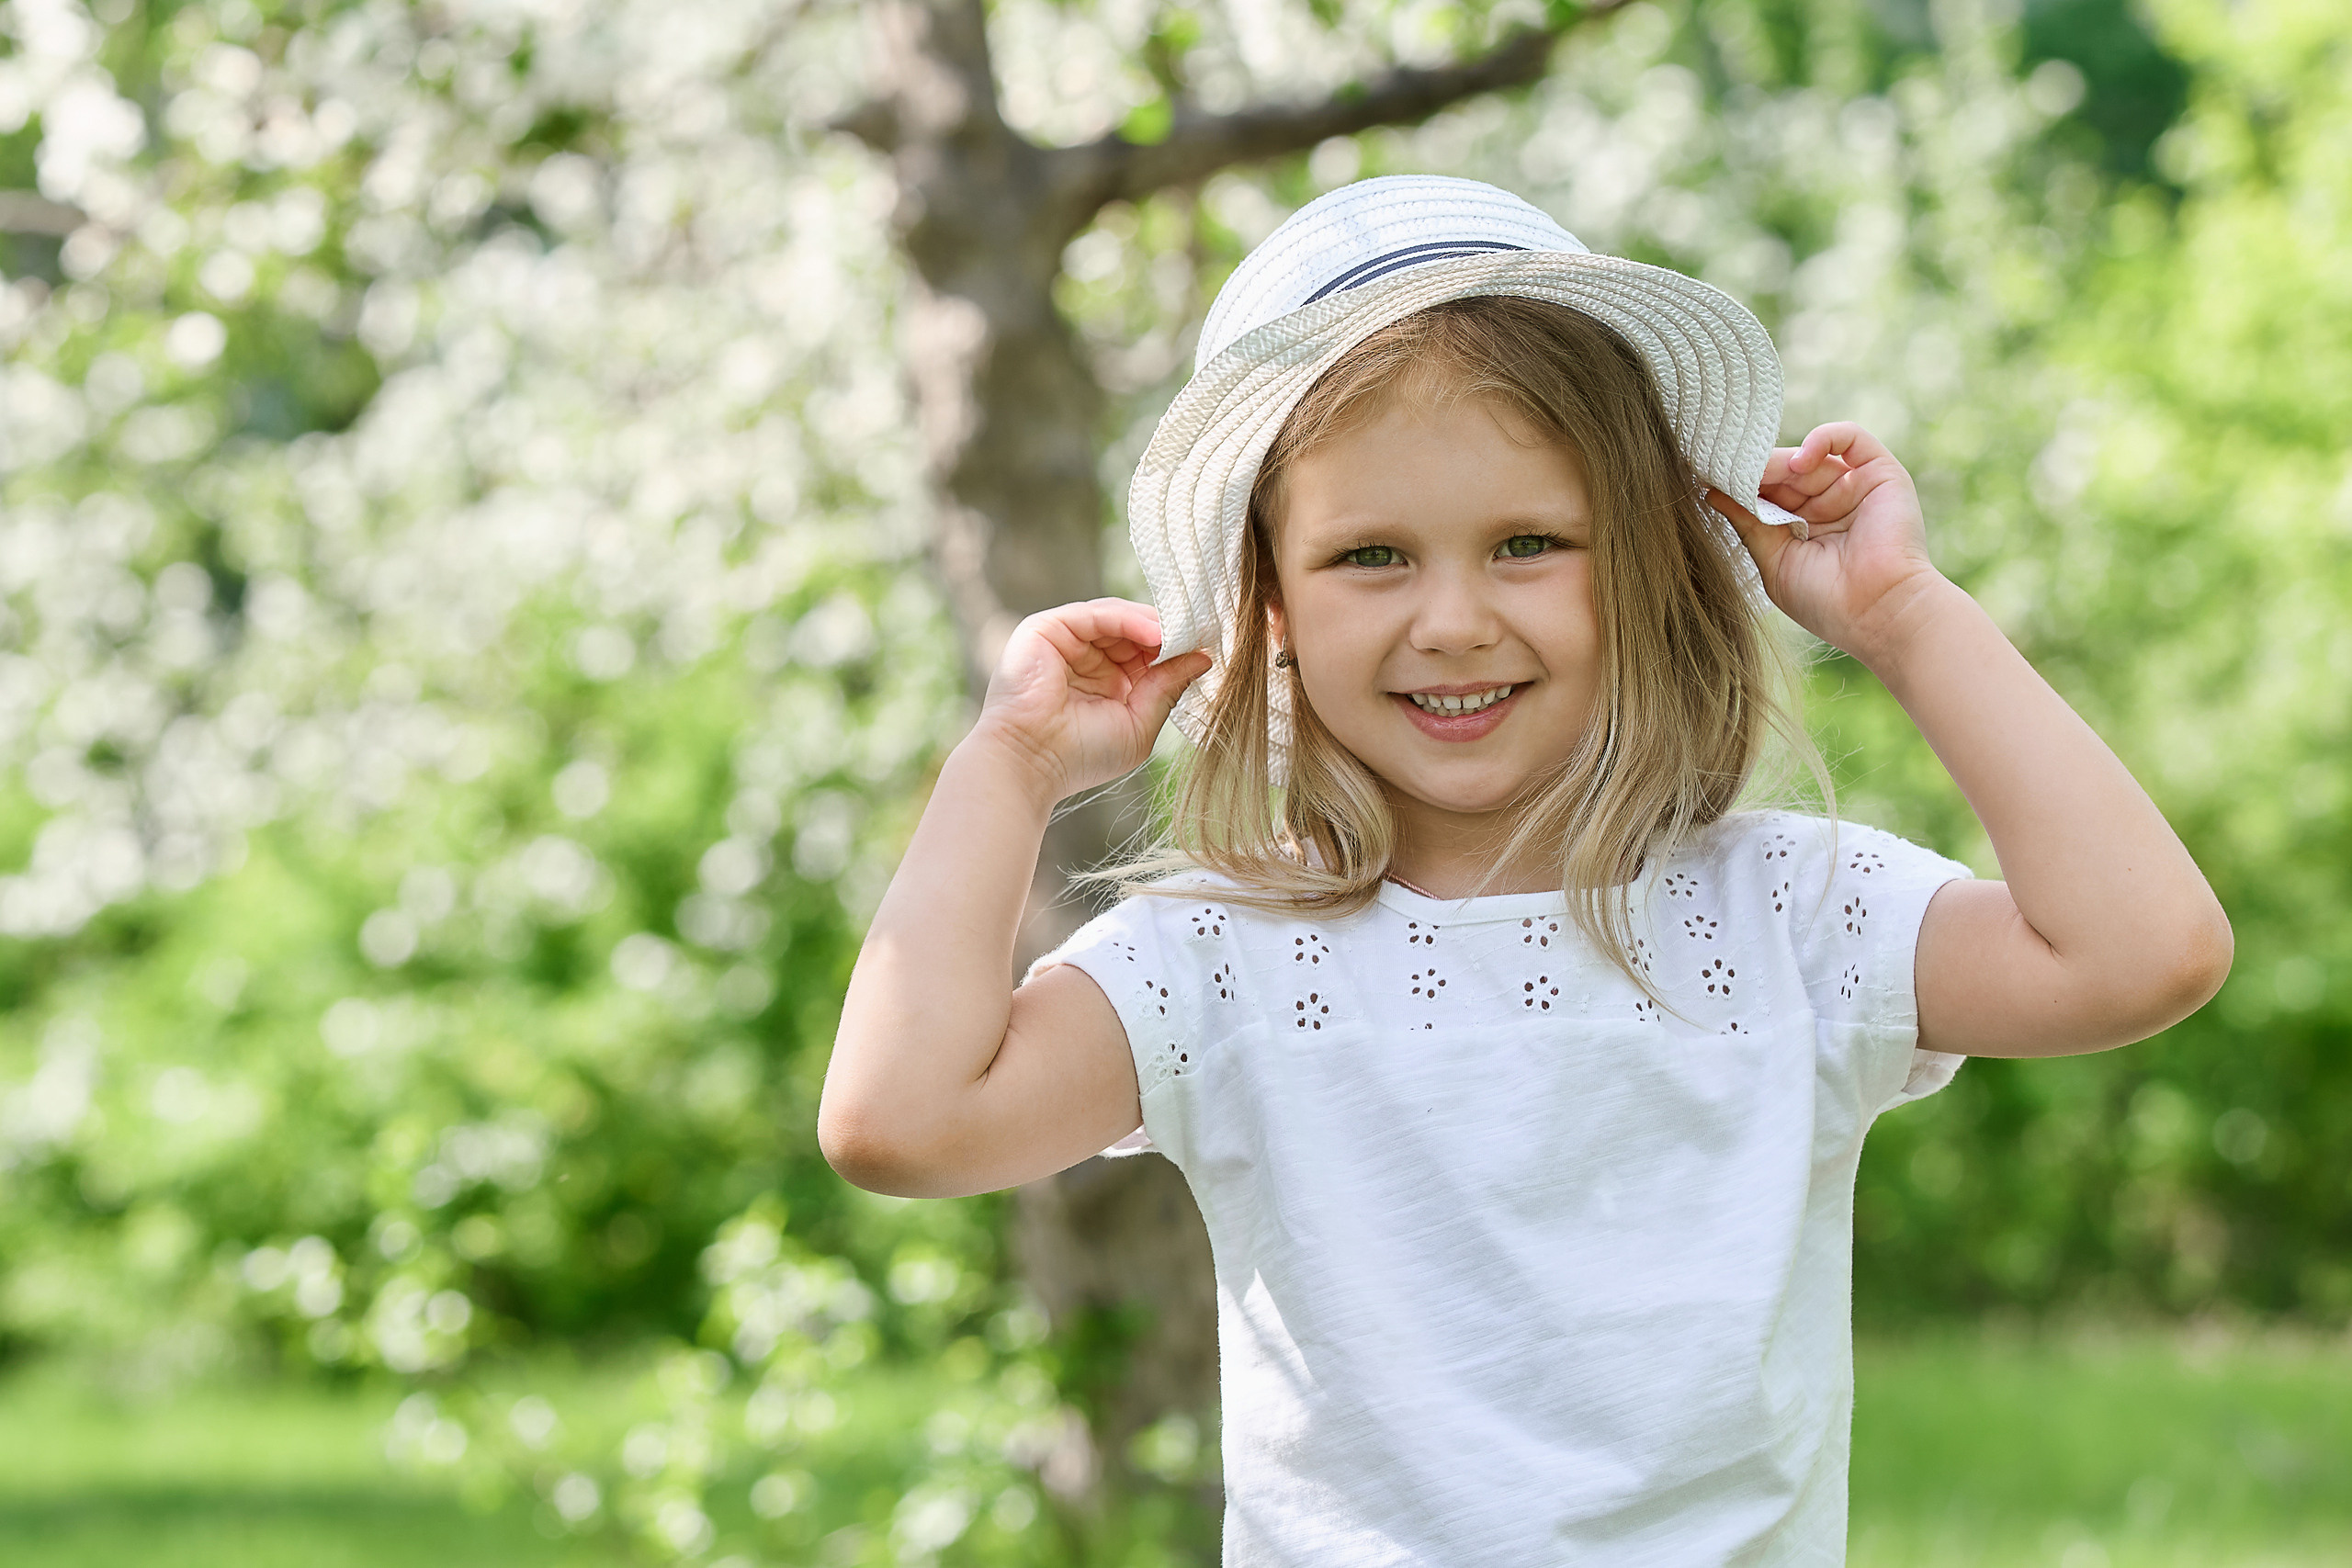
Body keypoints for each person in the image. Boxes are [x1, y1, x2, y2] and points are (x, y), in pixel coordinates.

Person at [818, 176, 2232, 1564]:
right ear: (1272, 605)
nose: (1452, 620)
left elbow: (2144, 953)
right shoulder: (1222, 962)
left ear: (1647, 565)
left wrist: (1903, 614)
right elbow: (902, 1122)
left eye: (1528, 545)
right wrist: (1011, 762)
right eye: (1372, 556)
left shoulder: (1791, 919)